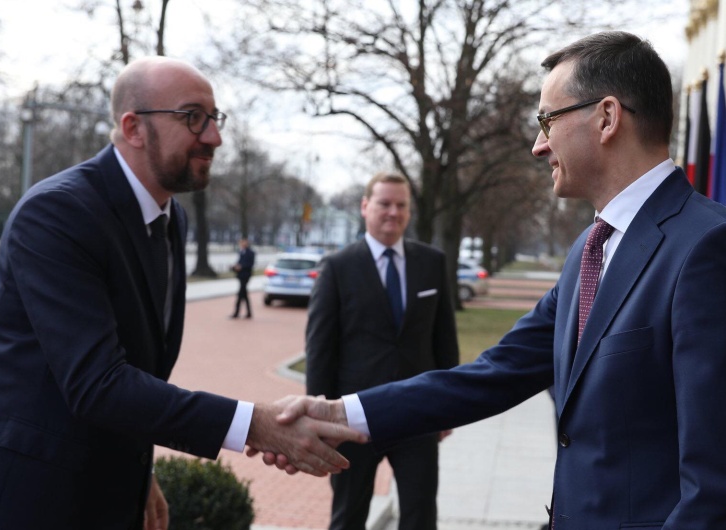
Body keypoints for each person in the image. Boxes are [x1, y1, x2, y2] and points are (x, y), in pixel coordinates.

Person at [271, 31, 726, 528]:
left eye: (547, 120)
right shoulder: (588, 251)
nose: (538, 146)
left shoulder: (706, 248)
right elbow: (494, 373)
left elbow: (712, 485)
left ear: (607, 117)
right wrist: (338, 414)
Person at [0, 56, 365, 530]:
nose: (214, 138)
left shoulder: (169, 217)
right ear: (133, 127)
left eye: (215, 118)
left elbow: (139, 370)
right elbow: (98, 384)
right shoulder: (58, 213)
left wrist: (142, 473)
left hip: (110, 489)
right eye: (192, 117)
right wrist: (258, 426)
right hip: (32, 497)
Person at [305, 172, 459, 530]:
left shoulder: (431, 263)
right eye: (384, 203)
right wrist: (319, 415)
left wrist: (451, 405)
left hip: (417, 413)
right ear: (365, 207)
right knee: (348, 517)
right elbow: (320, 349)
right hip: (352, 418)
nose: (393, 212)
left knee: (420, 517)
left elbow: (444, 339)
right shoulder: (337, 267)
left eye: (401, 205)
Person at [231, 237, 255, 318]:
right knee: (244, 295)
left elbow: (250, 264)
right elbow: (239, 262)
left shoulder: (251, 253)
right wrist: (235, 267)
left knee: (240, 294)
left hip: (246, 276)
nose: (242, 244)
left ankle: (236, 313)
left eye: (243, 242)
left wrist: (241, 267)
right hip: (240, 276)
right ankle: (249, 313)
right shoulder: (241, 252)